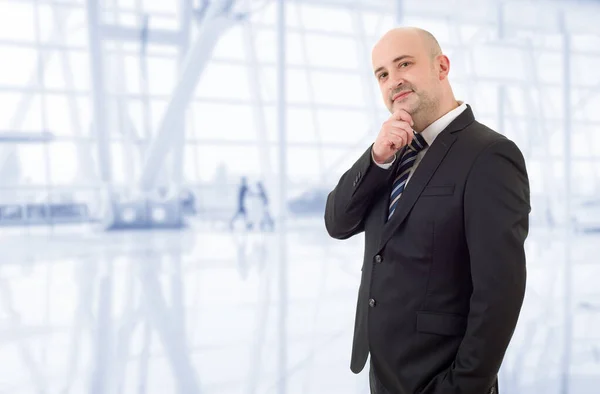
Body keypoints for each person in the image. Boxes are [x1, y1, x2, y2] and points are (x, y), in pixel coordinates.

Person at [324, 27, 530, 394]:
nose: (393, 81)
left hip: (442, 378)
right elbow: (338, 223)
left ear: (442, 66)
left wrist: (462, 387)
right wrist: (376, 158)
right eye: (382, 74)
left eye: (405, 64)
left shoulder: (490, 156)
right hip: (385, 375)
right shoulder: (392, 153)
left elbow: (500, 293)